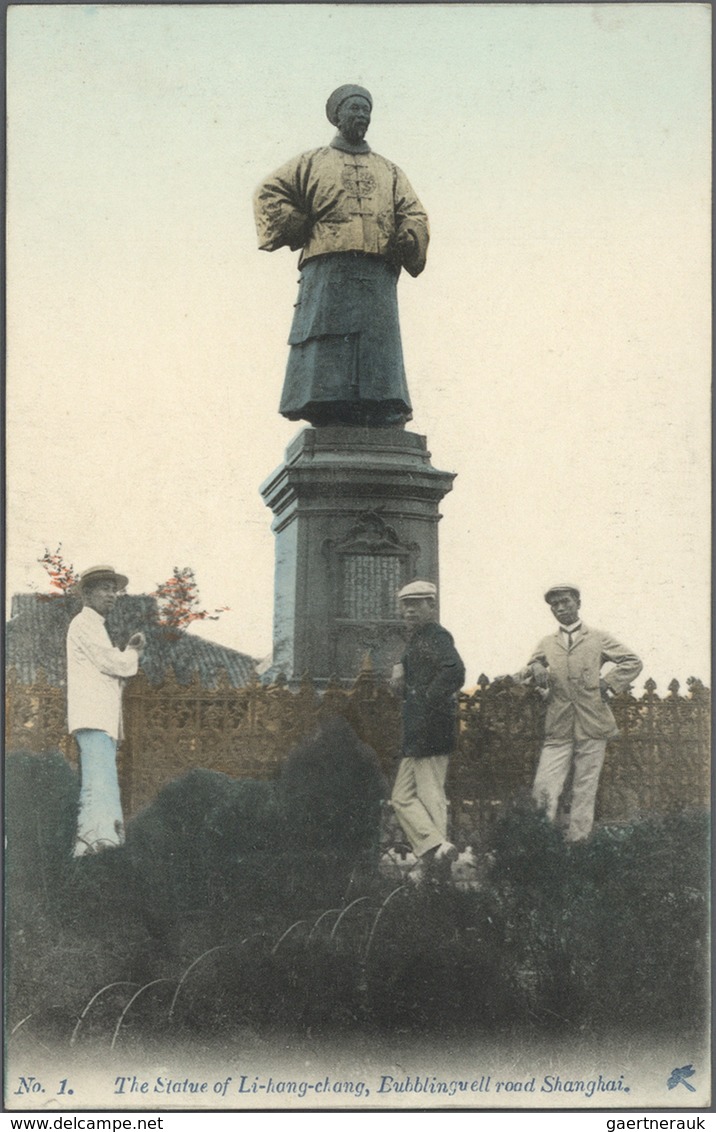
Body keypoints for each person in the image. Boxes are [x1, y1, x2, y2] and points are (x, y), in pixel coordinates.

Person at [254, 84, 429, 428]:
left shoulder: (389, 171)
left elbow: (414, 213)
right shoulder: (312, 162)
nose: (362, 116)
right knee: (328, 340)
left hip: (376, 271)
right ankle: (324, 405)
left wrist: (408, 235)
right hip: (328, 267)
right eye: (354, 110)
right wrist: (297, 223)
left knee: (378, 343)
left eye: (366, 111)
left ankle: (382, 405)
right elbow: (268, 192)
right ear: (337, 116)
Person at [514, 584, 642, 841]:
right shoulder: (546, 643)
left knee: (585, 786)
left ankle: (578, 844)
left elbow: (633, 661)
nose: (560, 608)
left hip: (593, 722)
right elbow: (523, 675)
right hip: (558, 724)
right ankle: (540, 843)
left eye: (566, 602)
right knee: (544, 786)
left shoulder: (597, 638)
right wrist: (536, 666)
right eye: (555, 605)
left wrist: (609, 683)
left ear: (578, 603)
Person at [66, 565, 145, 856]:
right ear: (87, 594)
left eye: (115, 589)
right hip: (93, 719)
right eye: (105, 589)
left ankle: (102, 850)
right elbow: (113, 664)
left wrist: (125, 652)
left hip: (100, 719)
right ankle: (94, 852)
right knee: (98, 789)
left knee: (102, 788)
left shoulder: (95, 626)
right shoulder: (84, 623)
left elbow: (109, 666)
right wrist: (133, 653)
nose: (112, 595)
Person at [390, 580, 465, 883]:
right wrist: (400, 668)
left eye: (417, 604)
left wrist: (426, 699)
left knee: (430, 794)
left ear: (431, 606)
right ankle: (437, 848)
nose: (409, 610)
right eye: (406, 604)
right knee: (401, 797)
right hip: (417, 729)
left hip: (431, 726)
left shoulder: (436, 634)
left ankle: (437, 868)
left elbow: (455, 670)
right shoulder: (419, 639)